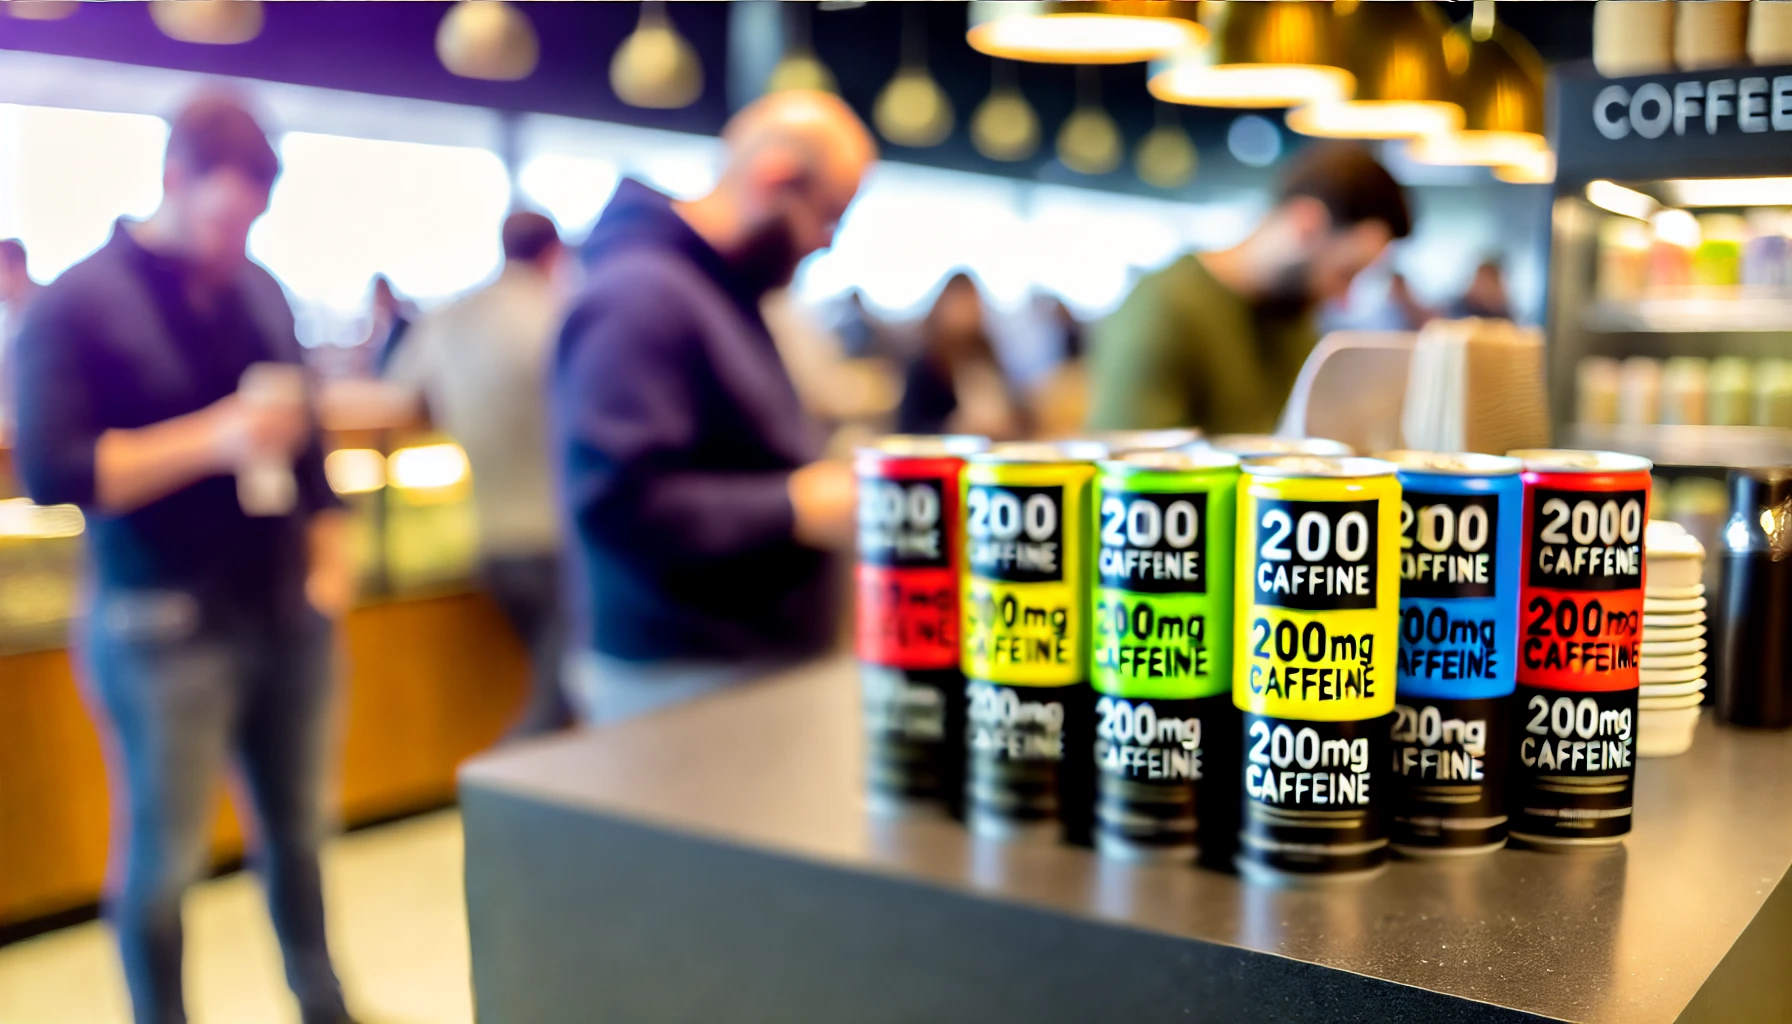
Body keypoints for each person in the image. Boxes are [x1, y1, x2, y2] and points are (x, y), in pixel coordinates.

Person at [11, 94, 357, 1024]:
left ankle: (322, 1003)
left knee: (302, 833)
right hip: (158, 623)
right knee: (164, 861)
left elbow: (314, 452)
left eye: (252, 222)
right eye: (222, 217)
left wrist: (330, 571)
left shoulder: (258, 288)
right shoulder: (79, 303)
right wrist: (215, 438)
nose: (233, 241)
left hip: (285, 611)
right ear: (174, 181)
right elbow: (56, 474)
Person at [554, 89, 874, 723]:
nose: (826, 242)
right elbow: (617, 502)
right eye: (828, 214)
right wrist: (795, 505)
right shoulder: (642, 294)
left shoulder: (715, 290)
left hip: (733, 669)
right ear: (775, 178)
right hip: (686, 676)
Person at [388, 211, 573, 738]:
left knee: (557, 689)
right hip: (558, 542)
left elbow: (399, 395)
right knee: (557, 698)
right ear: (553, 254)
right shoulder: (560, 313)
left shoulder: (451, 316)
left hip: (489, 543)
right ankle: (499, 796)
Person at [1086, 141, 1411, 434]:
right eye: (1346, 273)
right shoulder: (1164, 307)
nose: (1344, 299)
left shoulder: (1294, 318)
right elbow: (1131, 476)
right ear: (1306, 225)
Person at [895, 271, 1024, 438]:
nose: (968, 311)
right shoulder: (926, 366)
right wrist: (953, 427)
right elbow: (908, 429)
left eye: (972, 303)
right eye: (961, 303)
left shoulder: (987, 356)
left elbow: (1012, 407)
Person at [0, 238, 40, 437]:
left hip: (41, 431)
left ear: (18, 268)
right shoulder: (7, 316)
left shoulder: (47, 308)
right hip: (12, 430)